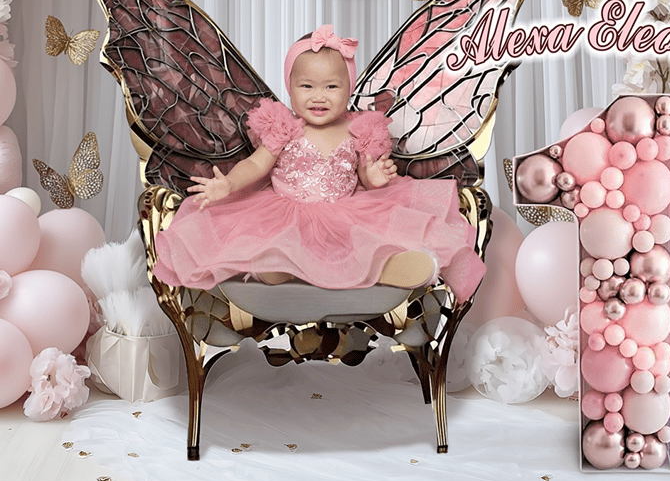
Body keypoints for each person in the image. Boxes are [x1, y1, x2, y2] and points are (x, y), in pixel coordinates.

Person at [152, 25, 486, 303]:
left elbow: (365, 173)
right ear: (290, 88)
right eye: (307, 86)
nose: (318, 96)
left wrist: (375, 177)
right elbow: (256, 165)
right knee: (284, 243)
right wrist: (228, 183)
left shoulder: (358, 128)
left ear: (349, 88)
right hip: (286, 213)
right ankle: (278, 266)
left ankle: (392, 267)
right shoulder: (284, 126)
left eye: (331, 87)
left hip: (346, 213)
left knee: (365, 246)